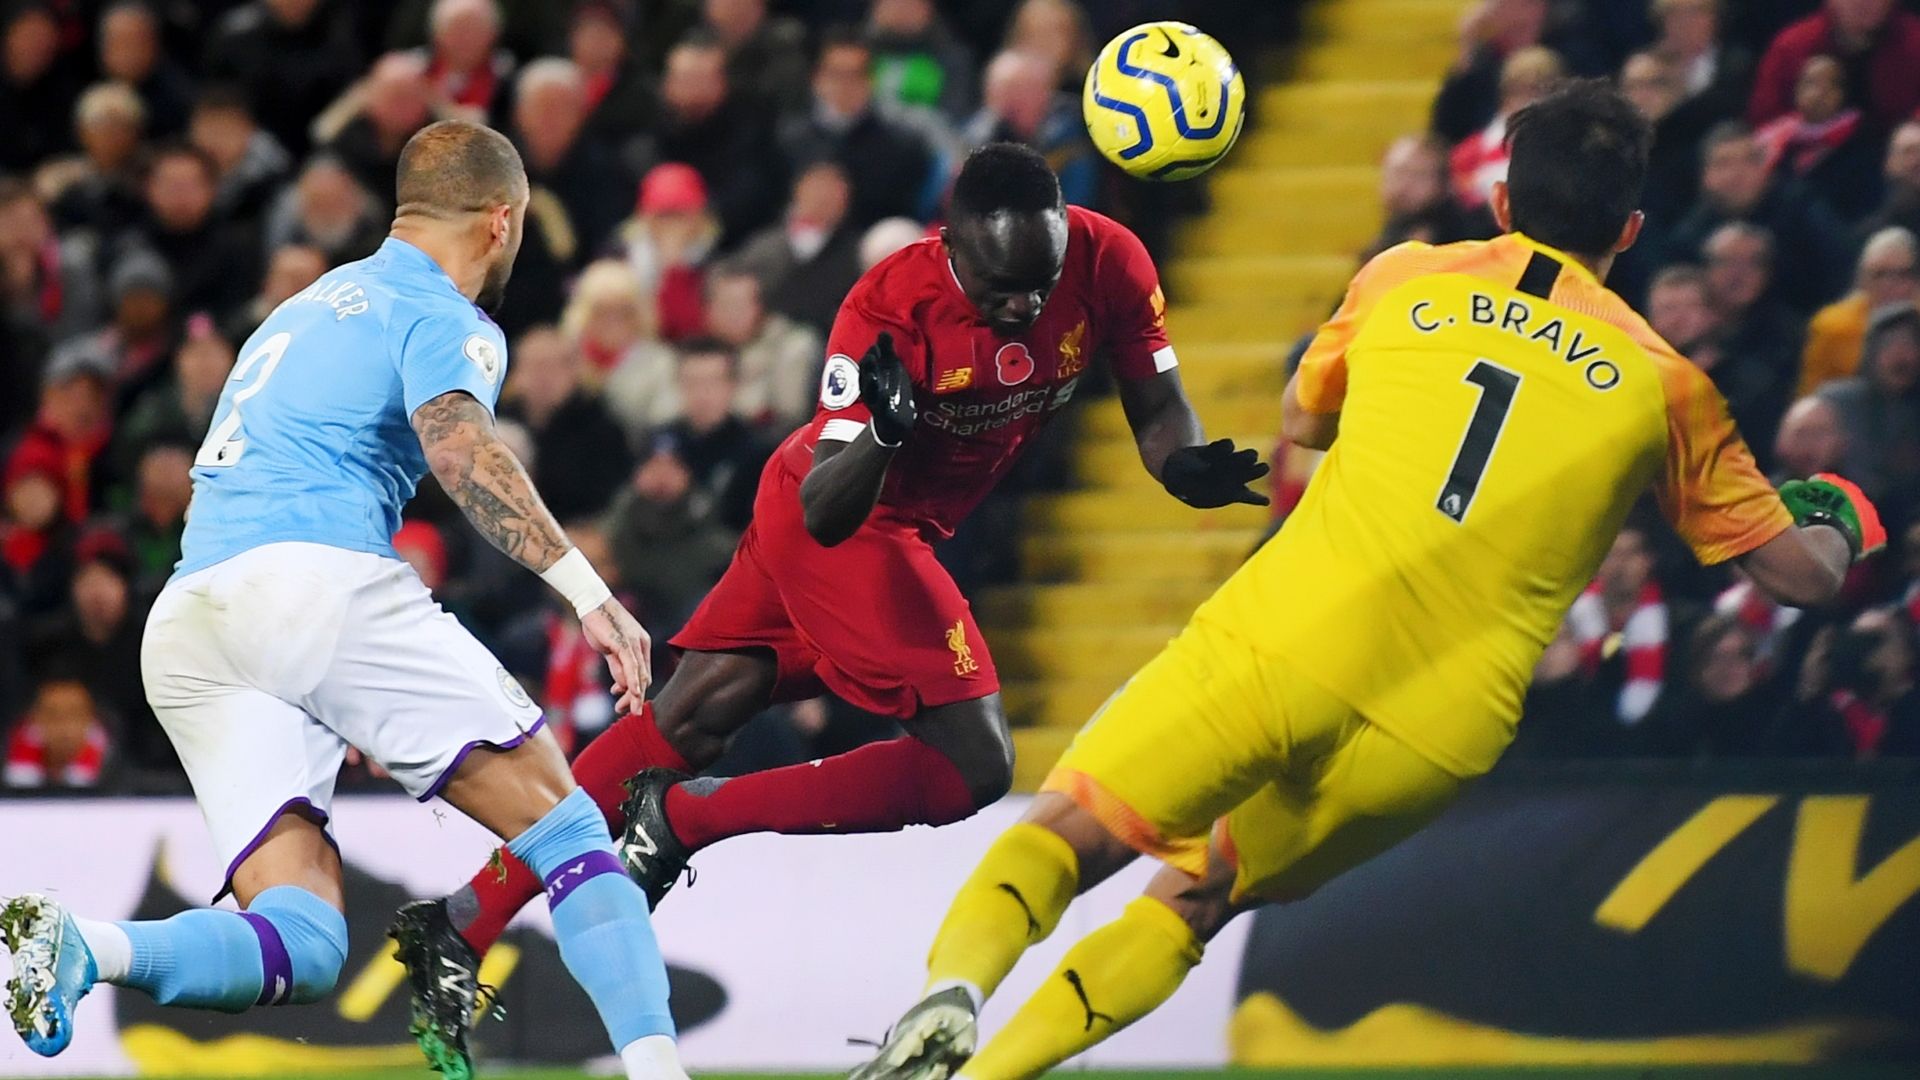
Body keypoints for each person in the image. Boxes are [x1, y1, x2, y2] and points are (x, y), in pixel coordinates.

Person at [848, 82, 1882, 1080]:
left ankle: (954, 992)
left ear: (1503, 200)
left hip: (1290, 637)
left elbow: (1303, 418)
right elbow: (1797, 576)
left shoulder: (1405, 278)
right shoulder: (1668, 383)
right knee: (1200, 899)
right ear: (1632, 229)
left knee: (1069, 837)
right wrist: (1844, 510)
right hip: (1439, 726)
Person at [396, 143, 1269, 1052]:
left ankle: (464, 918)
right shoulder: (887, 306)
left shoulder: (1109, 259)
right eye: (1000, 289)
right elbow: (828, 505)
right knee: (976, 765)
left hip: (888, 528)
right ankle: (689, 816)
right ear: (952, 247)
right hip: (848, 521)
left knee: (688, 719)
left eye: (1038, 284)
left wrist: (1182, 466)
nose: (1024, 309)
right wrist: (889, 434)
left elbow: (1160, 412)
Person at [0, 120, 687, 1080]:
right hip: (308, 583)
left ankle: (92, 948)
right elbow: (459, 448)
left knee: (305, 940)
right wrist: (586, 591)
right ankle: (663, 1073)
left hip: (192, 619)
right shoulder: (442, 310)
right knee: (568, 828)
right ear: (501, 221)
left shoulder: (303, 307)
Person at [1748, 0, 1920, 133]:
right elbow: (1765, 122)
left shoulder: (1914, 42)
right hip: (1807, 162)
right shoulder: (1792, 46)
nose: (1865, 3)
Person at [1751, 53, 1881, 222]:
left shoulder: (1862, 139)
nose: (1819, 93)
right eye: (1810, 83)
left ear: (1842, 93)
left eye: (1829, 85)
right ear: (1796, 89)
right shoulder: (1773, 138)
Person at [1800, 226, 1918, 395]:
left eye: (1902, 274)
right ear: (1862, 279)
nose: (1890, 284)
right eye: (1879, 274)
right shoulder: (1831, 327)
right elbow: (1810, 396)